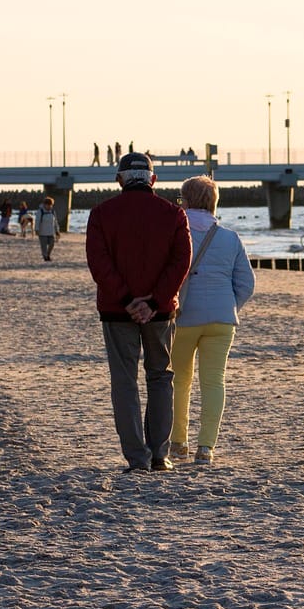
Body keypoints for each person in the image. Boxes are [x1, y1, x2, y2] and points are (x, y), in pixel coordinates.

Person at [86, 152, 192, 473]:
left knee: (125, 381)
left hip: (117, 310)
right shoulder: (174, 214)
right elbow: (181, 262)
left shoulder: (101, 214)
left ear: (119, 180)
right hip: (159, 312)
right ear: (153, 180)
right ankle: (159, 455)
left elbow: (99, 263)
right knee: (160, 376)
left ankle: (137, 458)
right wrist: (154, 301)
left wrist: (128, 299)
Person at [167, 176, 256, 466]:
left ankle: (178, 443)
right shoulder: (230, 238)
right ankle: (206, 447)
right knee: (214, 381)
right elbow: (246, 284)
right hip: (221, 320)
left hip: (183, 317)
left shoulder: (175, 233)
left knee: (179, 380)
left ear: (186, 201)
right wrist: (229, 306)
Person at [36, 196, 59, 261]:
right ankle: (45, 257)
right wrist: (37, 229)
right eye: (48, 205)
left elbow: (55, 222)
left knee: (52, 244)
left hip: (51, 232)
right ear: (44, 204)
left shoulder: (52, 212)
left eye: (50, 205)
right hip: (42, 232)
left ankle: (48, 255)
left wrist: (57, 230)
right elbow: (37, 221)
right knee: (44, 247)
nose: (49, 206)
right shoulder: (40, 211)